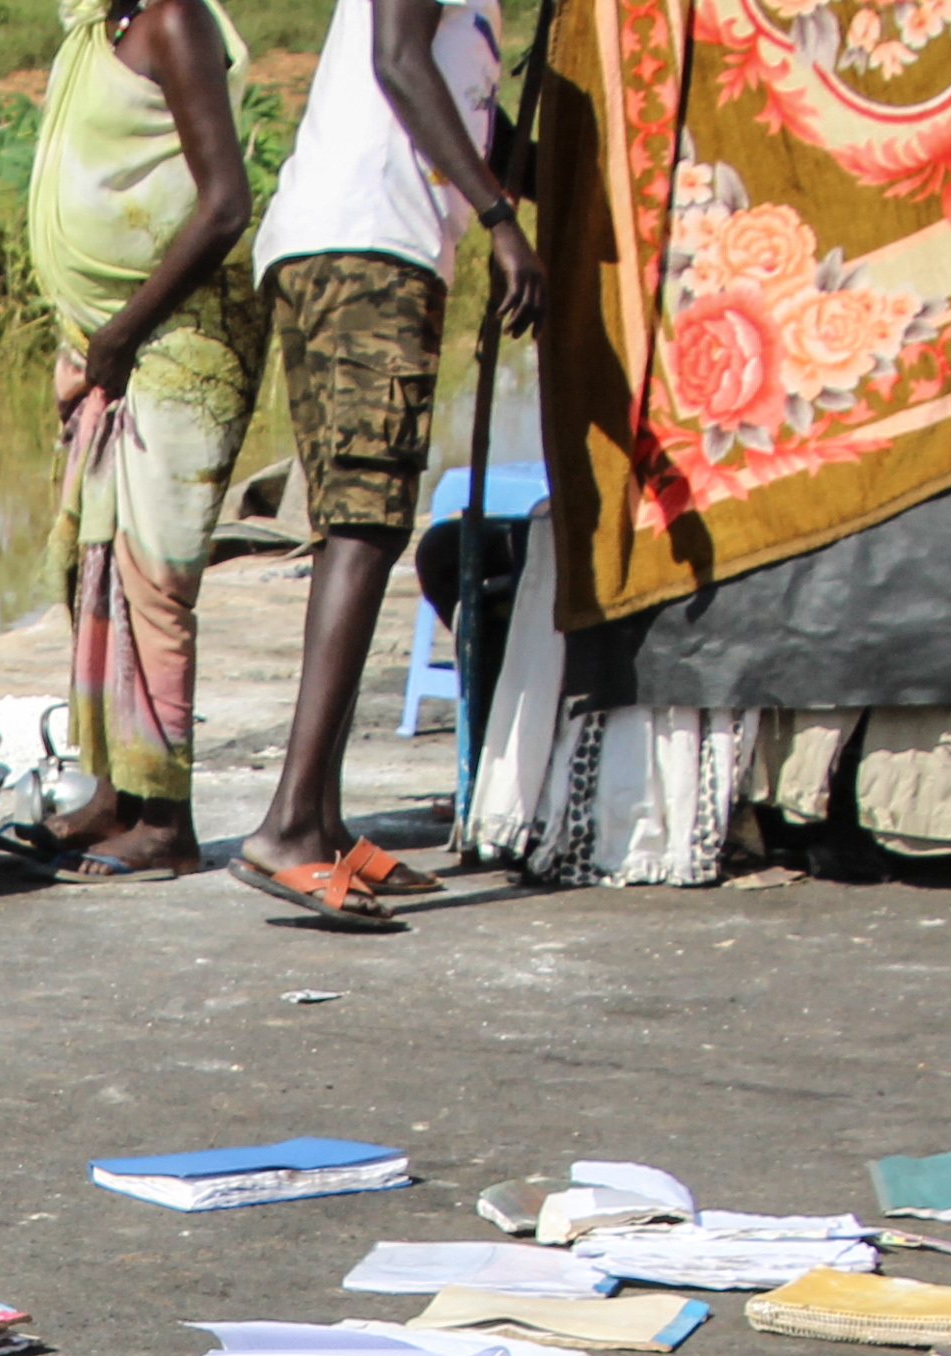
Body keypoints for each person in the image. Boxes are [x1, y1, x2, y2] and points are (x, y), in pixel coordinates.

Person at [233, 0, 539, 925]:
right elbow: (398, 62)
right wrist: (498, 219)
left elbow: (478, 118)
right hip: (364, 244)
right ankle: (288, 825)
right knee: (366, 525)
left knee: (354, 525)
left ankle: (321, 826)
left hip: (368, 244)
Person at [25, 0, 261, 878]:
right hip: (115, 341)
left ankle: (167, 819)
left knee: (155, 578)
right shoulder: (97, 31)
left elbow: (225, 205)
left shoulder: (174, 21)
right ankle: (117, 792)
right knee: (101, 570)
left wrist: (124, 329)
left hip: (179, 337)